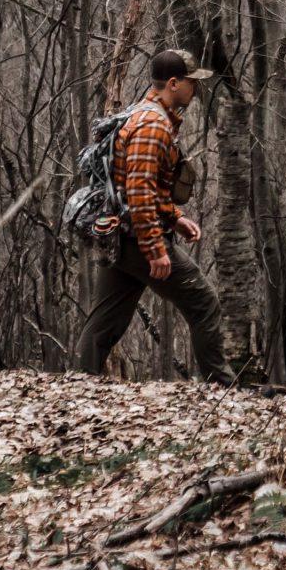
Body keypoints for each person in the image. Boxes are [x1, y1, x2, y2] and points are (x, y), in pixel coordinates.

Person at [73, 48, 239, 386]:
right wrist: (155, 249)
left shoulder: (144, 114)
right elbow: (138, 191)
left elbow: (140, 184)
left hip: (121, 235)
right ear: (174, 83)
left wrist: (175, 217)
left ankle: (77, 385)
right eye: (191, 82)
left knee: (105, 322)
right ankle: (222, 388)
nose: (195, 89)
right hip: (136, 238)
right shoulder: (153, 125)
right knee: (203, 302)